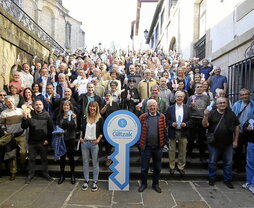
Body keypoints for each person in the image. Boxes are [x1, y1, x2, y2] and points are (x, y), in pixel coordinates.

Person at [202, 97, 239, 188]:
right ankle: (212, 178)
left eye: (224, 103)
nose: (222, 104)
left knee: (229, 162)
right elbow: (204, 125)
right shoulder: (212, 113)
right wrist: (206, 115)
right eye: (220, 103)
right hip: (214, 143)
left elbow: (237, 127)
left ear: (226, 104)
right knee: (212, 162)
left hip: (228, 143)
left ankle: (227, 179)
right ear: (217, 104)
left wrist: (236, 140)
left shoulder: (231, 114)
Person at [138, 99, 167, 193]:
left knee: (157, 167)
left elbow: (164, 130)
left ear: (157, 106)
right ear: (147, 107)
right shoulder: (142, 117)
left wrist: (164, 143)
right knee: (144, 167)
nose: (152, 107)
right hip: (146, 147)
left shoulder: (162, 116)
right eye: (150, 106)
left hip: (158, 147)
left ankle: (155, 184)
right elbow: (138, 130)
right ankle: (143, 184)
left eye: (154, 105)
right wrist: (140, 143)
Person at [22, 100, 54, 184]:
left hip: (43, 142)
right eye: (36, 105)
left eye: (40, 104)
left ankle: (46, 173)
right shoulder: (30, 114)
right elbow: (24, 126)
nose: (38, 106)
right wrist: (25, 118)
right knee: (31, 159)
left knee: (44, 159)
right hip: (32, 142)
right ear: (33, 106)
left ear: (43, 106)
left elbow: (51, 128)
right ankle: (31, 174)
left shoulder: (46, 115)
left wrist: (48, 140)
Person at [0, 96, 26, 180]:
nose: (10, 103)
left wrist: (25, 116)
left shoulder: (21, 111)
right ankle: (13, 172)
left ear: (14, 101)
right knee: (12, 155)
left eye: (11, 101)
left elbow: (26, 121)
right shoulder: (4, 113)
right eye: (8, 102)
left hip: (21, 135)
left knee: (23, 152)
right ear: (5, 103)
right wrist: (4, 130)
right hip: (10, 136)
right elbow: (2, 124)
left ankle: (22, 164)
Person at [80, 101, 104, 192]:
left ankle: (95, 181)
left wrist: (98, 140)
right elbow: (80, 128)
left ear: (97, 108)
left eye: (94, 107)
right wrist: (81, 138)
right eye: (90, 106)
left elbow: (102, 132)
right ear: (88, 107)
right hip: (85, 143)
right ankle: (86, 180)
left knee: (95, 163)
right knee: (85, 163)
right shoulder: (84, 117)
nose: (92, 108)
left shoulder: (100, 118)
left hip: (95, 144)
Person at [166, 91, 191, 176]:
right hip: (173, 131)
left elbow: (191, 120)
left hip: (183, 132)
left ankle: (181, 167)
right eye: (178, 96)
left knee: (183, 150)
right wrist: (171, 123)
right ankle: (172, 166)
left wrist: (186, 124)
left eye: (181, 96)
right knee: (172, 150)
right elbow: (167, 120)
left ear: (183, 98)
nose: (179, 98)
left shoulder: (187, 108)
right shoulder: (170, 108)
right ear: (175, 98)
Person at [186, 83, 210, 163]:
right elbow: (186, 109)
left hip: (202, 119)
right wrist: (190, 106)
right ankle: (189, 155)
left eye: (201, 87)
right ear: (195, 88)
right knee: (191, 139)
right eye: (198, 87)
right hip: (193, 119)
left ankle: (202, 156)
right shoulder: (191, 98)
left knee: (202, 139)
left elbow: (209, 108)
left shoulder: (206, 98)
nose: (199, 88)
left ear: (203, 88)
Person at [232, 88, 254, 172]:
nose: (244, 96)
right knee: (238, 149)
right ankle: (238, 166)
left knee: (249, 150)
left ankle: (246, 166)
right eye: (242, 94)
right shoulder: (236, 104)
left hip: (250, 131)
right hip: (239, 130)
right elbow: (233, 117)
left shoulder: (253, 104)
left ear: (249, 95)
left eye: (246, 94)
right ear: (240, 96)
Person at [56, 101, 77, 184]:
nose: (66, 107)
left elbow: (75, 128)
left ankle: (72, 175)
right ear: (62, 107)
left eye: (68, 105)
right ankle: (62, 175)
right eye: (64, 105)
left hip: (71, 138)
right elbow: (57, 125)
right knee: (62, 158)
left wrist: (74, 119)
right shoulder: (59, 116)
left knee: (71, 158)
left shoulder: (73, 115)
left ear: (70, 107)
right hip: (62, 139)